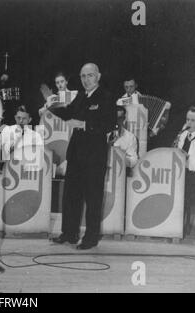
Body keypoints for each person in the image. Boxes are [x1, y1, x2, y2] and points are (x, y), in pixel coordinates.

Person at [48, 63, 116, 250]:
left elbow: (109, 124)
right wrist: (52, 107)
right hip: (76, 155)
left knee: (93, 198)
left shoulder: (107, 97)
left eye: (90, 76)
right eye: (83, 76)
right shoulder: (80, 96)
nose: (86, 80)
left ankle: (91, 238)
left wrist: (85, 125)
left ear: (98, 76)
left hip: (94, 157)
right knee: (71, 196)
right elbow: (68, 113)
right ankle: (69, 234)